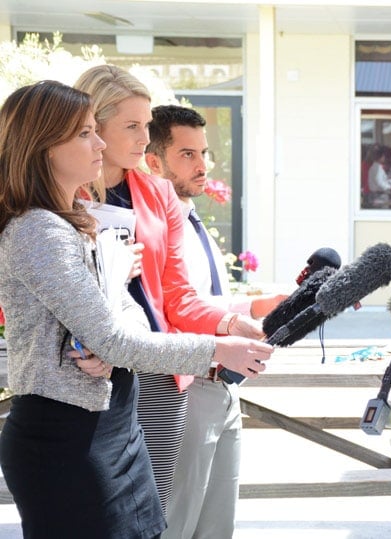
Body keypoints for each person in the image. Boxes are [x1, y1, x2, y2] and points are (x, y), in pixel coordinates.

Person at [0, 80, 273, 539]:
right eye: (86, 133)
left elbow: (124, 318)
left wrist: (107, 337)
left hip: (111, 425)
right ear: (45, 147)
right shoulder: (37, 232)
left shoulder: (74, 223)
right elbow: (112, 334)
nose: (101, 143)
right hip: (67, 436)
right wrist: (217, 350)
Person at [73, 64, 266, 513]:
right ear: (94, 125)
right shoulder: (61, 193)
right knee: (93, 512)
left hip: (157, 372)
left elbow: (178, 296)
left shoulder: (158, 193)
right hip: (86, 373)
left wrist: (232, 322)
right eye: (133, 126)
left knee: (151, 509)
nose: (145, 137)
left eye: (146, 125)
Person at [144, 104, 283, 538]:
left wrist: (261, 307)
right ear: (154, 161)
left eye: (204, 153)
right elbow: (171, 311)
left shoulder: (191, 219)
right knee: (176, 527)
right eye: (187, 154)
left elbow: (205, 305)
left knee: (217, 529)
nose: (203, 165)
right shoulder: (155, 229)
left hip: (225, 391)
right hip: (183, 390)